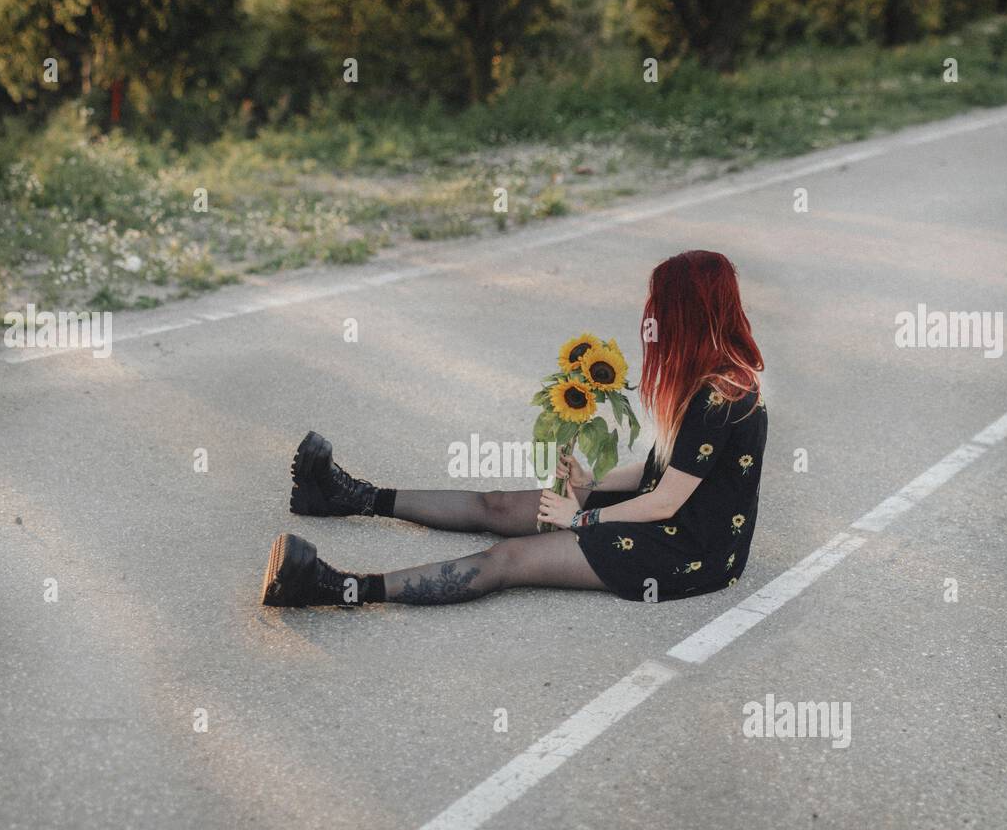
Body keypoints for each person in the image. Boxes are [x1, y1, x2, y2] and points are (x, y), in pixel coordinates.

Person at [260, 250, 767, 608]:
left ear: (688, 316)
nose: (650, 316)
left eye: (660, 307)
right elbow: (663, 472)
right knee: (498, 505)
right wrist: (592, 485)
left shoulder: (721, 396)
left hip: (686, 549)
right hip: (661, 515)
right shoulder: (705, 379)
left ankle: (339, 588)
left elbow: (664, 502)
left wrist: (581, 519)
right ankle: (348, 496)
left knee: (510, 559)